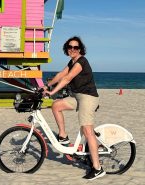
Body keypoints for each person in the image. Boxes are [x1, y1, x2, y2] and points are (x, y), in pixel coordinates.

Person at [43, 36, 106, 180]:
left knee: (87, 130)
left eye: (75, 47)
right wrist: (47, 85)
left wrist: (52, 92)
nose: (72, 49)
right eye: (70, 47)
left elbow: (67, 79)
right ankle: (63, 136)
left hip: (88, 98)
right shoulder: (72, 62)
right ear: (67, 48)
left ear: (80, 49)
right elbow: (60, 75)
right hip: (77, 97)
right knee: (56, 105)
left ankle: (97, 168)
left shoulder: (81, 62)